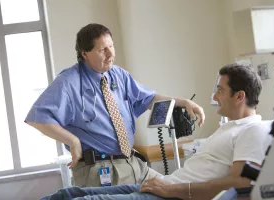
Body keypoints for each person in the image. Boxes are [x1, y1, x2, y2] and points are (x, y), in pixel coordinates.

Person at [40, 63, 272, 200]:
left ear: (239, 96)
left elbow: (240, 183)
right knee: (68, 194)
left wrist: (171, 190)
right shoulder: (229, 128)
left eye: (220, 91)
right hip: (167, 186)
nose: (214, 97)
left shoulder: (254, 130)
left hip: (172, 194)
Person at [25, 23, 205, 187]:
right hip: (100, 170)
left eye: (111, 46)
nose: (111, 54)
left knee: (176, 189)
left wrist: (184, 102)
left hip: (133, 163)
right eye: (103, 49)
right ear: (84, 53)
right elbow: (38, 118)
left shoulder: (118, 75)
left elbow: (148, 98)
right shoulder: (69, 82)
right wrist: (73, 141)